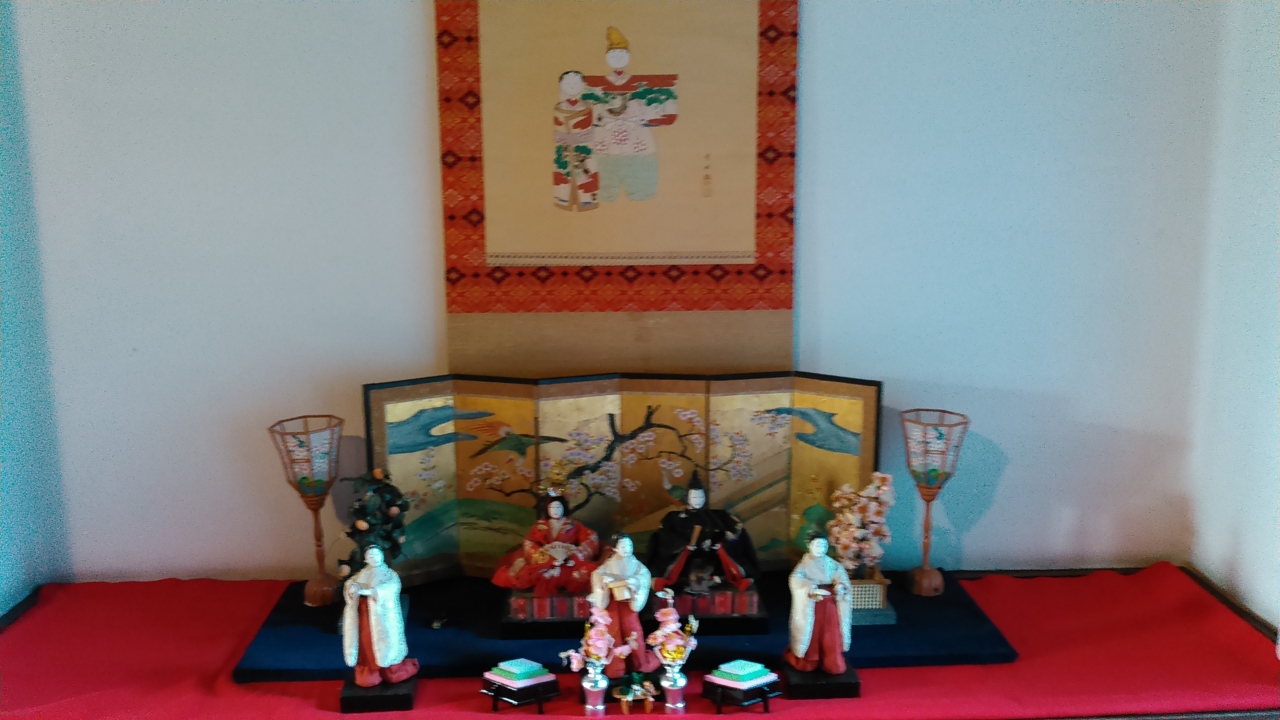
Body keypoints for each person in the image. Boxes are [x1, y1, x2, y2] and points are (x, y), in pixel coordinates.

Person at [583, 26, 678, 203]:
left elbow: (663, 105)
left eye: (622, 54)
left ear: (629, 56)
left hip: (636, 138)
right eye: (613, 54)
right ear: (607, 57)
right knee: (605, 177)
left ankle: (641, 191)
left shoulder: (640, 86)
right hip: (606, 138)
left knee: (641, 178)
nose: (618, 58)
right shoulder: (596, 87)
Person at [646, 472, 758, 594]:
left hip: (713, 559)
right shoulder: (673, 518)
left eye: (700, 497)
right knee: (664, 566)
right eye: (694, 497)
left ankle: (732, 579)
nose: (698, 501)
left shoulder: (718, 516)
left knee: (729, 561)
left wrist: (722, 545)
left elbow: (735, 532)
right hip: (685, 561)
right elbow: (665, 537)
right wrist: (684, 547)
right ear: (688, 498)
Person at [491, 492, 599, 596]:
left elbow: (590, 537)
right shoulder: (540, 526)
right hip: (545, 561)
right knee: (526, 573)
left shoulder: (573, 525)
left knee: (585, 574)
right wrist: (545, 558)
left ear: (564, 507)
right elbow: (529, 542)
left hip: (569, 561)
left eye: (558, 507)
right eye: (552, 507)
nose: (555, 510)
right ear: (547, 509)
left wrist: (574, 554)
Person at [342, 546, 419, 687]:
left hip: (384, 615)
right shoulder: (361, 575)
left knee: (387, 639)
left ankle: (391, 669)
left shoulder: (389, 574)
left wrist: (374, 592)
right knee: (366, 640)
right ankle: (369, 669)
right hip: (365, 615)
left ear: (382, 556)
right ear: (365, 559)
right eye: (370, 556)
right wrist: (352, 589)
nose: (374, 558)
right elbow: (350, 584)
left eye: (376, 554)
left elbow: (393, 587)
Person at [589, 534, 661, 679]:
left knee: (633, 631)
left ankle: (638, 665)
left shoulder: (638, 566)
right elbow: (597, 574)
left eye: (629, 546)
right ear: (615, 548)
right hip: (612, 604)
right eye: (622, 546)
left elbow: (644, 577)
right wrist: (604, 581)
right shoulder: (608, 564)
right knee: (612, 632)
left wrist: (634, 582)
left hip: (629, 603)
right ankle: (615, 668)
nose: (626, 549)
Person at [783, 534, 853, 675]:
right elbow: (795, 580)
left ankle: (831, 659)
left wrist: (840, 586)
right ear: (809, 546)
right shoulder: (804, 565)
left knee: (831, 633)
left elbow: (841, 577)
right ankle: (810, 658)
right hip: (813, 603)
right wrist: (810, 589)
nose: (820, 548)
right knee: (812, 633)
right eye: (817, 545)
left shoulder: (832, 564)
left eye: (824, 545)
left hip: (831, 604)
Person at [553, 70, 600, 211]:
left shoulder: (589, 107)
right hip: (564, 149)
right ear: (561, 85)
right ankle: (563, 200)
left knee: (586, 174)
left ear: (583, 84)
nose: (572, 86)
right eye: (567, 82)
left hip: (586, 148)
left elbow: (595, 128)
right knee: (563, 177)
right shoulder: (558, 108)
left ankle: (587, 201)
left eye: (576, 82)